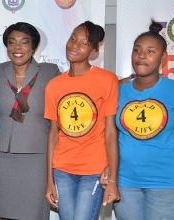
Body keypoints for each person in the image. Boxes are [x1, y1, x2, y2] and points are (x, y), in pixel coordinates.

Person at [112, 20, 174, 220]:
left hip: (171, 185)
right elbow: (109, 137)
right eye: (137, 50)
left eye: (150, 51)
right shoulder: (117, 92)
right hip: (126, 185)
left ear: (164, 57)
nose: (142, 55)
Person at [0, 22, 60, 220]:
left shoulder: (50, 72)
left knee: (33, 214)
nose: (17, 48)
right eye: (12, 42)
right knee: (1, 213)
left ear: (34, 47)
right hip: (0, 158)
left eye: (24, 42)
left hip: (37, 158)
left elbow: (76, 89)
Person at [44, 21, 120, 220]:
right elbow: (53, 134)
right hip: (62, 170)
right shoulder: (54, 85)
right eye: (72, 39)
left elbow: (111, 131)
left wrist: (112, 176)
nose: (74, 45)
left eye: (84, 43)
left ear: (94, 51)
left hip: (94, 169)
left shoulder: (107, 79)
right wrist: (49, 180)